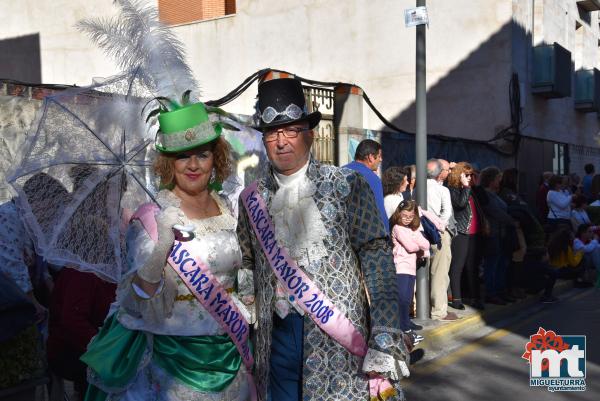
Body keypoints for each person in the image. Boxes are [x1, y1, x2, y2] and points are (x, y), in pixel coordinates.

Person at [237, 77, 408, 401]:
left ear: (310, 134)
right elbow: (247, 262)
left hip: (338, 343)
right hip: (275, 341)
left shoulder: (346, 185)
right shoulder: (251, 198)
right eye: (273, 133)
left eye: (291, 130)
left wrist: (384, 334)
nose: (282, 141)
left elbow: (377, 257)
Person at [82, 100, 254, 401]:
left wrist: (250, 303)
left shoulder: (228, 209)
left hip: (228, 351)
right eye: (182, 156)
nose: (193, 165)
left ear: (216, 158)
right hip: (172, 359)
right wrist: (162, 245)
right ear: (168, 163)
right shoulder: (152, 217)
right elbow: (136, 300)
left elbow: (241, 270)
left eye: (202, 154)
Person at [390, 200, 429, 344]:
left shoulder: (413, 229)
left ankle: (405, 328)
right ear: (398, 214)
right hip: (400, 266)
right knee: (402, 298)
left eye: (410, 216)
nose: (407, 219)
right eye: (404, 215)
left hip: (411, 268)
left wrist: (416, 241)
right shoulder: (397, 228)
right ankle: (404, 329)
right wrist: (417, 243)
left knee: (406, 299)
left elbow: (426, 244)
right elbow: (411, 247)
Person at [479, 167, 518, 305]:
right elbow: (495, 212)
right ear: (491, 180)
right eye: (497, 179)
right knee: (493, 264)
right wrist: (512, 221)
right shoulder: (486, 195)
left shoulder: (494, 194)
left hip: (501, 233)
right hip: (493, 234)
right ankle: (491, 293)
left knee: (501, 263)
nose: (499, 182)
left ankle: (500, 291)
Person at [426, 159, 458, 321]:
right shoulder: (442, 190)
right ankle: (439, 311)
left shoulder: (418, 186)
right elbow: (446, 213)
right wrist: (440, 226)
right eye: (446, 169)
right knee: (440, 272)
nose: (448, 172)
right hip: (439, 232)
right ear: (440, 173)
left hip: (421, 230)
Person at [344, 139, 388, 232]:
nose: (381, 159)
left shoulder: (340, 171)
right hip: (363, 234)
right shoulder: (372, 178)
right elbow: (379, 211)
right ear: (371, 157)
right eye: (379, 156)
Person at [447, 162, 474, 310]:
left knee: (460, 266)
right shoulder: (454, 189)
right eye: (467, 175)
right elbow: (461, 204)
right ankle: (456, 299)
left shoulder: (462, 189)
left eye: (471, 175)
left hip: (464, 231)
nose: (469, 178)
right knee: (457, 266)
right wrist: (466, 187)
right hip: (459, 231)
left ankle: (456, 295)